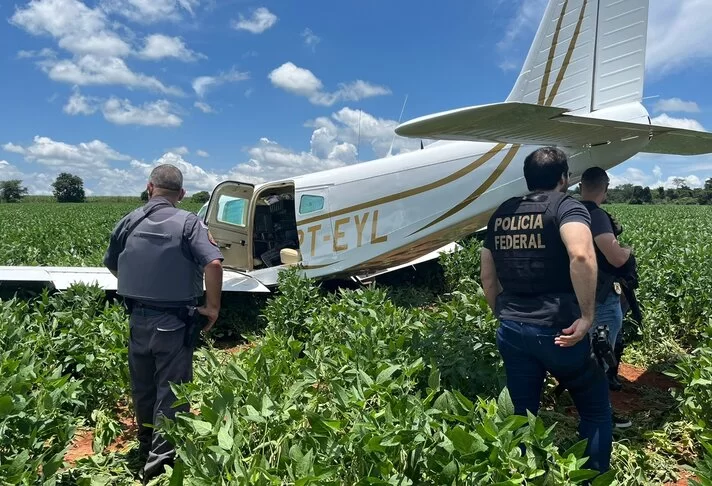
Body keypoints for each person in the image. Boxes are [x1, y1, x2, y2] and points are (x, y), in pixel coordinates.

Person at [480, 147, 612, 474]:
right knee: (595, 410)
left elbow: (487, 274)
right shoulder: (567, 206)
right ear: (564, 177)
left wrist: (502, 313)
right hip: (559, 330)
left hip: (511, 327)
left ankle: (524, 476)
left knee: (521, 413)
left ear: (528, 179)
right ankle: (592, 477)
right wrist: (587, 317)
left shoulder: (501, 213)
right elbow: (581, 256)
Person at [103, 164, 224, 483]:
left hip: (136, 318)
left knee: (143, 388)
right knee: (171, 393)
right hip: (174, 321)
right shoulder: (189, 222)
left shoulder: (130, 220)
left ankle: (146, 446)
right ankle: (160, 468)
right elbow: (212, 262)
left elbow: (112, 263)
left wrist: (140, 288)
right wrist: (212, 307)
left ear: (149, 187)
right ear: (182, 195)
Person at [580, 166, 635, 429]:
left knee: (583, 353)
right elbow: (614, 256)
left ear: (580, 186)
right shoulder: (597, 215)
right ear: (605, 188)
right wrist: (627, 251)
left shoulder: (570, 213)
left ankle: (581, 404)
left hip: (574, 296)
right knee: (600, 357)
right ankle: (601, 415)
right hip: (600, 298)